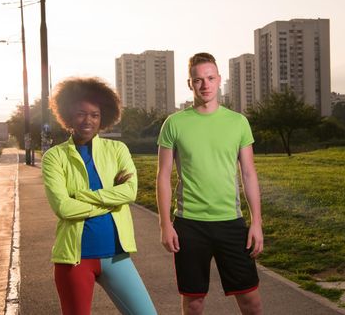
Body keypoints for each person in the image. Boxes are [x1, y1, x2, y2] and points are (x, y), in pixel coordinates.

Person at [156, 53, 264, 315]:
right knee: (194, 302)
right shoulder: (174, 124)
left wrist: (257, 223)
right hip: (189, 224)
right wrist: (165, 225)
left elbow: (248, 173)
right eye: (198, 79)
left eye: (210, 78)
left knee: (250, 299)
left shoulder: (238, 122)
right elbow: (163, 175)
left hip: (231, 222)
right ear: (190, 83)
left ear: (219, 80)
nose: (205, 84)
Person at [42, 76, 157, 315]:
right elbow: (63, 208)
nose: (88, 120)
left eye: (94, 115)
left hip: (117, 256)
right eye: (81, 114)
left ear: (103, 116)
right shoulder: (54, 157)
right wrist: (110, 201)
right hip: (74, 259)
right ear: (68, 116)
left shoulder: (117, 150)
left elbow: (130, 191)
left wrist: (82, 196)